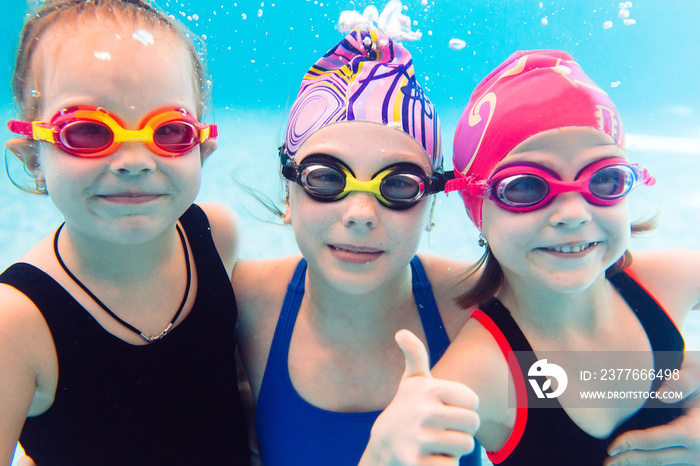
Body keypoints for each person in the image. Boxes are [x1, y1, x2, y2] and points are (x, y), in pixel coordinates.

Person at [0, 0, 249, 464]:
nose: (135, 161)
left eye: (169, 132)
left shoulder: (215, 237)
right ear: (32, 155)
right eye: (89, 132)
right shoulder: (15, 321)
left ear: (203, 150)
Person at [427, 49, 700, 465]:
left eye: (605, 178)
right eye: (526, 188)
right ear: (477, 208)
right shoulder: (482, 374)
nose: (573, 214)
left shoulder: (667, 283)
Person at [232, 27, 481, 466]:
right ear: (288, 194)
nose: (361, 212)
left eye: (399, 185)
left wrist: (643, 415)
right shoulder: (247, 301)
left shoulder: (470, 303)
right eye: (327, 178)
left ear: (431, 205)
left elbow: (602, 380)